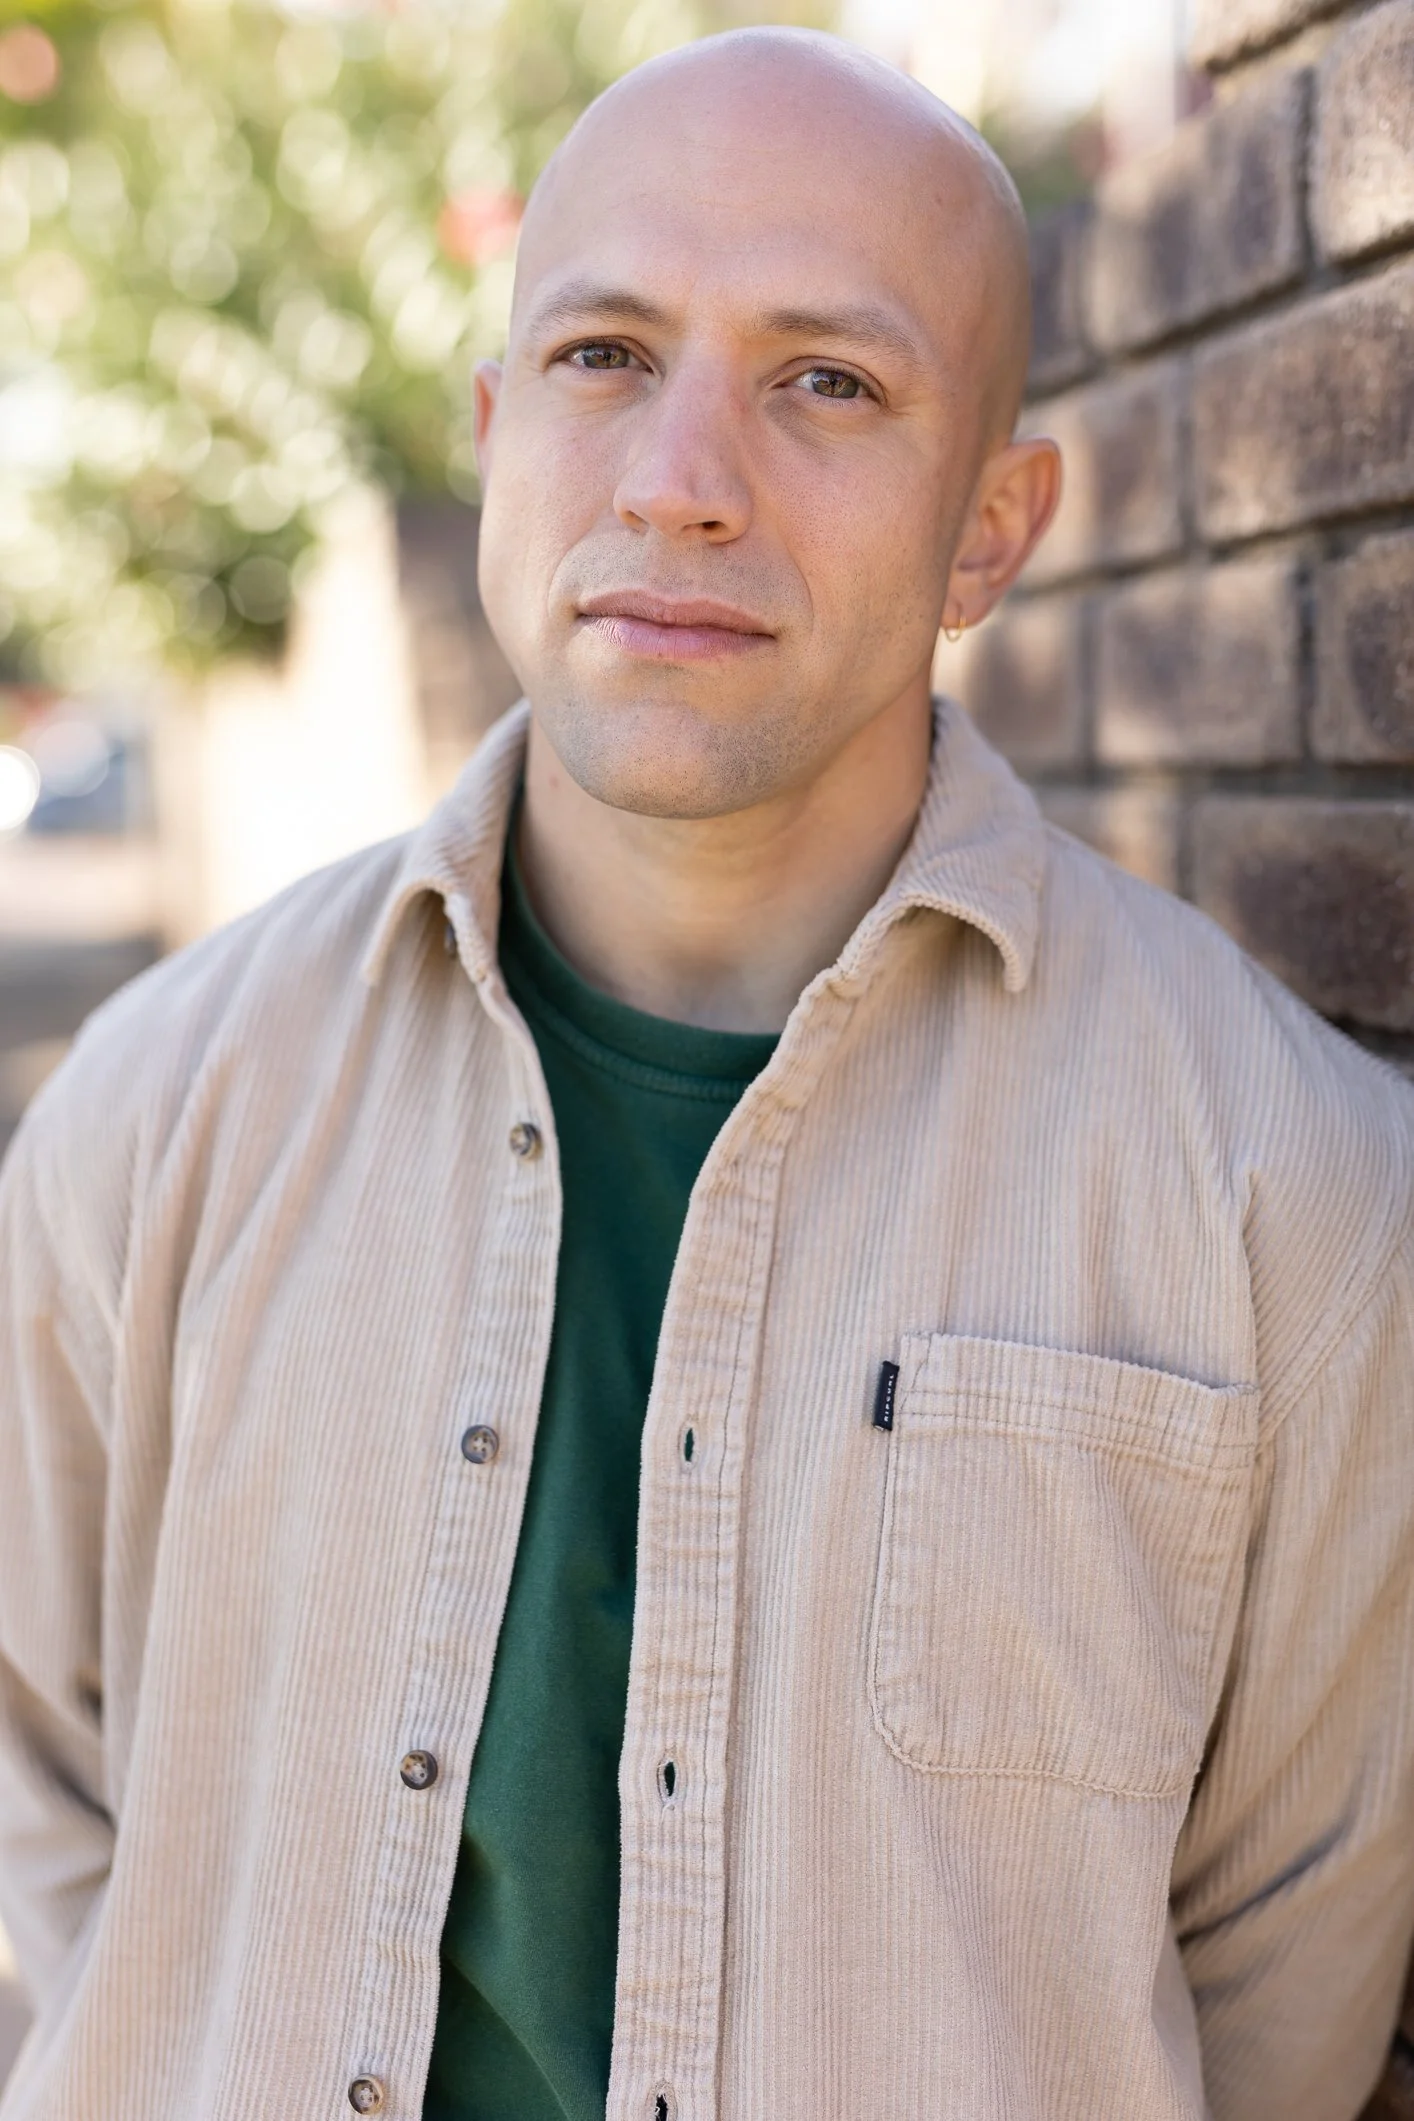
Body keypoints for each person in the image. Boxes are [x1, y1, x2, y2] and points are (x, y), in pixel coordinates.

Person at [1, 26, 1412, 2121]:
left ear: (988, 532)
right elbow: (37, 1840)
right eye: (599, 355)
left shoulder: (1285, 1189)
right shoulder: (152, 1109)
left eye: (824, 382)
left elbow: (1280, 2014)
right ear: (492, 436)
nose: (677, 473)